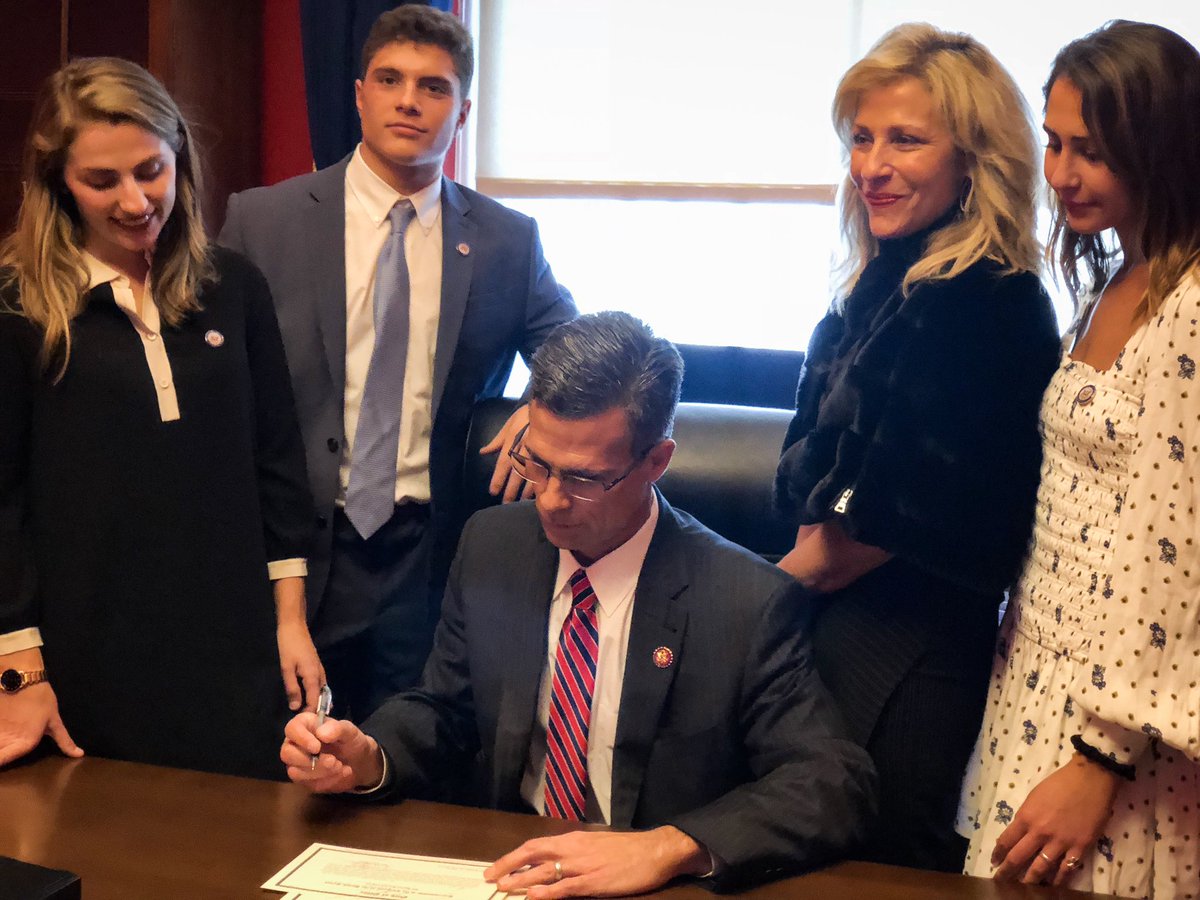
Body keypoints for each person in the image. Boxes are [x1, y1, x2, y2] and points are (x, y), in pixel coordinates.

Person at [280, 311, 876, 896]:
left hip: (651, 887)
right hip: (509, 871)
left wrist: (669, 848)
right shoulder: (493, 546)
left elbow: (831, 781)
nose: (550, 500)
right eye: (536, 464)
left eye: (584, 479)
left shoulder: (745, 598)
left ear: (656, 462)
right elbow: (446, 708)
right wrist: (370, 755)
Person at [220, 4, 576, 723]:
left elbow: (574, 347)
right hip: (290, 548)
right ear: (359, 95)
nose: (409, 101)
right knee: (282, 748)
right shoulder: (263, 221)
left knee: (409, 749)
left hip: (431, 555)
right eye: (390, 80)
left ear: (462, 112)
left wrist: (541, 406)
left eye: (433, 87)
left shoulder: (507, 240)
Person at [773, 23, 1061, 872]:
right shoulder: (884, 278)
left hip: (905, 653)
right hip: (842, 625)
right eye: (861, 138)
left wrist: (730, 608)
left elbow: (867, 537)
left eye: (905, 140)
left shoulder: (986, 300)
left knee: (871, 870)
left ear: (973, 159)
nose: (872, 165)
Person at [0, 58, 321, 779]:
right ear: (57, 182)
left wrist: (290, 622)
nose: (136, 200)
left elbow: (277, 464)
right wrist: (18, 670)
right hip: (84, 660)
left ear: (179, 155)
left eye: (152, 170)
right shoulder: (16, 305)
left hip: (237, 650)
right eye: (102, 180)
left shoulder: (234, 286)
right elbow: (2, 503)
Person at [959, 21, 1200, 898]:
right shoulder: (1114, 278)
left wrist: (1102, 759)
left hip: (1122, 726)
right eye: (1055, 143)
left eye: (1091, 151)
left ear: (1162, 148)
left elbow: (1179, 557)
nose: (1061, 173)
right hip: (1040, 674)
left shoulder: (1191, 304)